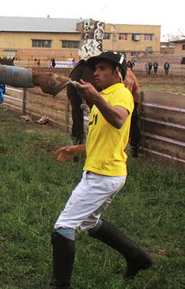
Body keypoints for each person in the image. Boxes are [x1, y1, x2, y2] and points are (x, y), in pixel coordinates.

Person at [50, 51, 153, 288]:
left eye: (103, 68)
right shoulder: (107, 96)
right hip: (106, 172)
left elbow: (118, 120)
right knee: (89, 222)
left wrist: (95, 97)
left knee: (63, 227)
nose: (96, 73)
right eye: (95, 69)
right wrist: (77, 149)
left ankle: (60, 284)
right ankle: (139, 258)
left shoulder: (121, 94)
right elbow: (107, 138)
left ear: (118, 72)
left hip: (103, 175)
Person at [123, 69, 142, 157]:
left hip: (130, 101)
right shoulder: (127, 72)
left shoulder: (125, 75)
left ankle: (134, 151)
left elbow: (125, 92)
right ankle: (134, 152)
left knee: (131, 127)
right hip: (131, 100)